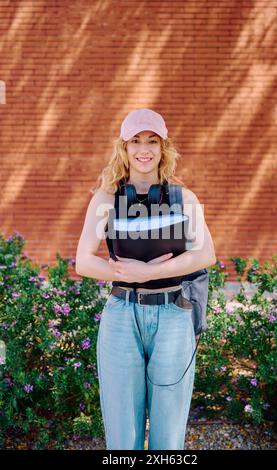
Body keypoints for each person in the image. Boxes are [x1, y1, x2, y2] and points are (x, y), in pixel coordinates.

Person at [75, 108, 216, 450]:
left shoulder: (184, 198)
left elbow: (206, 254)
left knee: (168, 432)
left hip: (173, 315)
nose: (144, 149)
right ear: (123, 148)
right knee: (123, 433)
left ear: (163, 147)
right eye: (135, 141)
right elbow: (83, 261)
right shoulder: (106, 199)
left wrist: (149, 273)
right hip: (122, 315)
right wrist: (128, 275)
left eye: (152, 141)